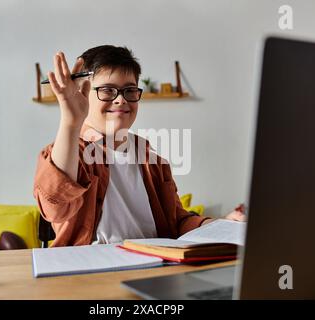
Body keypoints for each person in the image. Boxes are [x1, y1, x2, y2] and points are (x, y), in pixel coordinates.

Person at [33, 45, 245, 247]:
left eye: (130, 90)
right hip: (91, 272)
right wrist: (71, 122)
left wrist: (219, 226)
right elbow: (55, 208)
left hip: (153, 267)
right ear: (82, 93)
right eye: (107, 90)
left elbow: (177, 222)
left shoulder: (153, 161)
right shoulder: (71, 151)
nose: (121, 100)